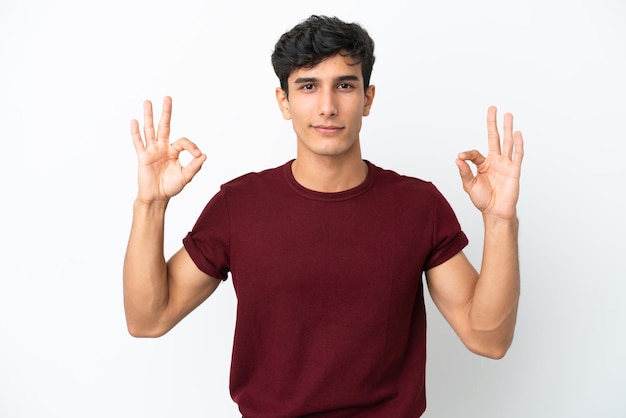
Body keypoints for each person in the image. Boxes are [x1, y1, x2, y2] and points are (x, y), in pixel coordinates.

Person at [123, 14, 524, 418]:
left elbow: (488, 338)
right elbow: (149, 318)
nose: (328, 107)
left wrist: (500, 221)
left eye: (344, 86)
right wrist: (151, 204)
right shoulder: (239, 205)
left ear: (367, 98)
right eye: (308, 86)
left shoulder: (418, 206)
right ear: (285, 101)